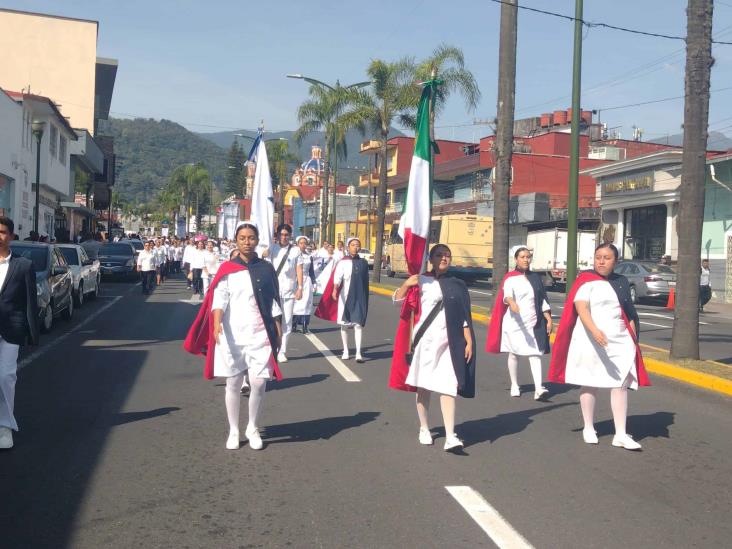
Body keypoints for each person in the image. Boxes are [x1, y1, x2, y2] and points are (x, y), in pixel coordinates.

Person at [184, 222, 283, 451]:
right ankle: (234, 430)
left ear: (257, 240)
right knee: (234, 383)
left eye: (251, 238)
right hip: (232, 333)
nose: (247, 242)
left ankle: (253, 427)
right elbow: (220, 298)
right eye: (242, 238)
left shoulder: (267, 269)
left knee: (258, 382)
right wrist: (217, 323)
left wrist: (278, 329)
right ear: (236, 241)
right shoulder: (227, 268)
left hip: (260, 333)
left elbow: (273, 301)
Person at [548, 243, 651, 451]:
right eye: (598, 257)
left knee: (620, 383)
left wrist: (633, 338)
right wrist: (594, 330)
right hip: (590, 339)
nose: (601, 261)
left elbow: (628, 312)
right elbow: (581, 307)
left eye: (606, 257)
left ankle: (620, 434)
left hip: (619, 339)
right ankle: (588, 427)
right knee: (590, 382)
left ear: (616, 261)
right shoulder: (586, 280)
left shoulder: (621, 282)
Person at [389, 244, 475, 452]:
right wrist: (407, 284)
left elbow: (463, 315)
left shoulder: (457, 284)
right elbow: (398, 300)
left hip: (450, 342)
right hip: (426, 341)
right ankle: (424, 428)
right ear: (431, 258)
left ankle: (450, 435)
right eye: (439, 255)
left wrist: (468, 339)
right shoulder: (421, 280)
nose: (444, 258)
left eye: (447, 255)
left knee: (448, 386)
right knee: (424, 386)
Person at [486, 247, 552, 400]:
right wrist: (511, 302)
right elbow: (506, 295)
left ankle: (538, 388)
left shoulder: (536, 278)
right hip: (514, 323)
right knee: (514, 354)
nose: (525, 259)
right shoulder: (510, 278)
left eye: (528, 257)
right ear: (516, 259)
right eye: (522, 257)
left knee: (535, 353)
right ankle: (515, 384)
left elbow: (542, 300)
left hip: (533, 322)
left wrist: (548, 318)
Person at [0, 217, 39, 449]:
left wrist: (33, 334)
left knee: (6, 377)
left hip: (11, 330)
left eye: (3, 232)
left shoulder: (23, 265)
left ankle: (5, 426)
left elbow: (30, 302)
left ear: (12, 236)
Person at [315, 237, 369, 362]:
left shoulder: (363, 263)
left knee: (358, 324)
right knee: (344, 325)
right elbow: (337, 278)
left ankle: (359, 353)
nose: (355, 247)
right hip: (345, 296)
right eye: (353, 245)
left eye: (357, 245)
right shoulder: (343, 262)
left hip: (359, 296)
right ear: (348, 247)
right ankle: (345, 350)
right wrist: (334, 290)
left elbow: (365, 281)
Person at [265, 224, 303, 363]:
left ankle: (282, 350)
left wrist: (300, 288)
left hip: (289, 290)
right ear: (277, 235)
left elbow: (299, 269)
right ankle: (270, 347)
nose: (284, 237)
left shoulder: (295, 251)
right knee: (271, 320)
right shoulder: (272, 248)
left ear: (290, 235)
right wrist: (264, 252)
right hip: (272, 290)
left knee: (287, 321)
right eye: (281, 234)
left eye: (286, 234)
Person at [292, 235, 315, 334]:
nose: (303, 245)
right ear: (297, 244)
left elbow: (311, 271)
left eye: (305, 243)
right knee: (296, 303)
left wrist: (314, 283)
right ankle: (293, 324)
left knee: (306, 303)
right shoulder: (294, 255)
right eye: (301, 243)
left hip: (307, 280)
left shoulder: (309, 256)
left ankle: (305, 325)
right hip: (296, 280)